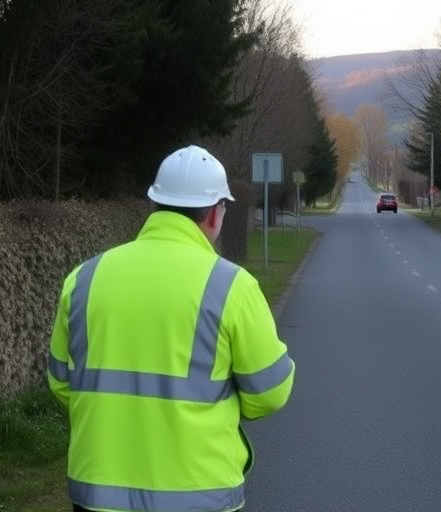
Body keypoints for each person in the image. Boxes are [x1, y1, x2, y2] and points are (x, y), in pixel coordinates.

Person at [48, 145, 295, 512]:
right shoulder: (231, 287)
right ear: (215, 213)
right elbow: (270, 392)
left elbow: (62, 383)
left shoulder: (84, 278)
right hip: (199, 495)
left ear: (154, 206)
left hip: (97, 495)